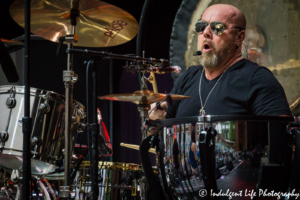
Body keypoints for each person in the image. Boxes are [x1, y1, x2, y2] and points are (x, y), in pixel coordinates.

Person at [149, 4, 291, 120]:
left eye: (217, 28)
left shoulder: (259, 79)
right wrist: (154, 120)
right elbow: (160, 137)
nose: (206, 32)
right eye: (201, 26)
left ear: (239, 37)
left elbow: (280, 142)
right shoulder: (188, 77)